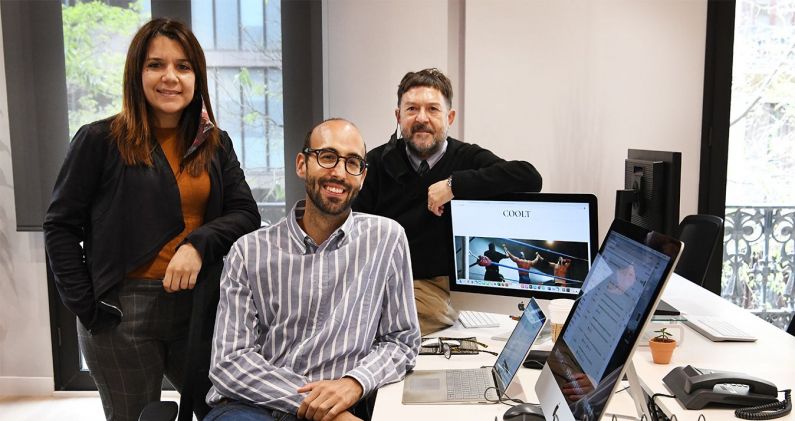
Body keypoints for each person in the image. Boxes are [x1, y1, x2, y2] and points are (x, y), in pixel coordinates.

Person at [43, 18, 260, 421]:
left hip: (199, 306)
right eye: (156, 65)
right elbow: (60, 226)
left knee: (223, 410)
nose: (170, 77)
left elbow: (246, 213)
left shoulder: (214, 142)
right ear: (136, 73)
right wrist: (87, 308)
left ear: (197, 76)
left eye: (183, 66)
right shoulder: (100, 140)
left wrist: (197, 245)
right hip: (122, 311)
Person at [205, 119, 420, 421]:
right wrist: (322, 408)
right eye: (327, 157)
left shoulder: (386, 239)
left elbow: (401, 342)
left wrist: (354, 383)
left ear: (362, 177)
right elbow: (228, 363)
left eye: (353, 163)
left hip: (344, 400)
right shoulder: (249, 251)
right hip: (253, 406)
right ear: (302, 164)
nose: (339, 172)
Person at [353, 68, 542, 334]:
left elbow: (529, 178)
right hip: (378, 281)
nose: (421, 118)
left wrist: (455, 185)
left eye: (432, 109)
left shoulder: (467, 158)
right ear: (398, 116)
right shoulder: (376, 163)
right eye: (411, 109)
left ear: (449, 117)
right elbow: (352, 229)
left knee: (381, 329)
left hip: (433, 286)